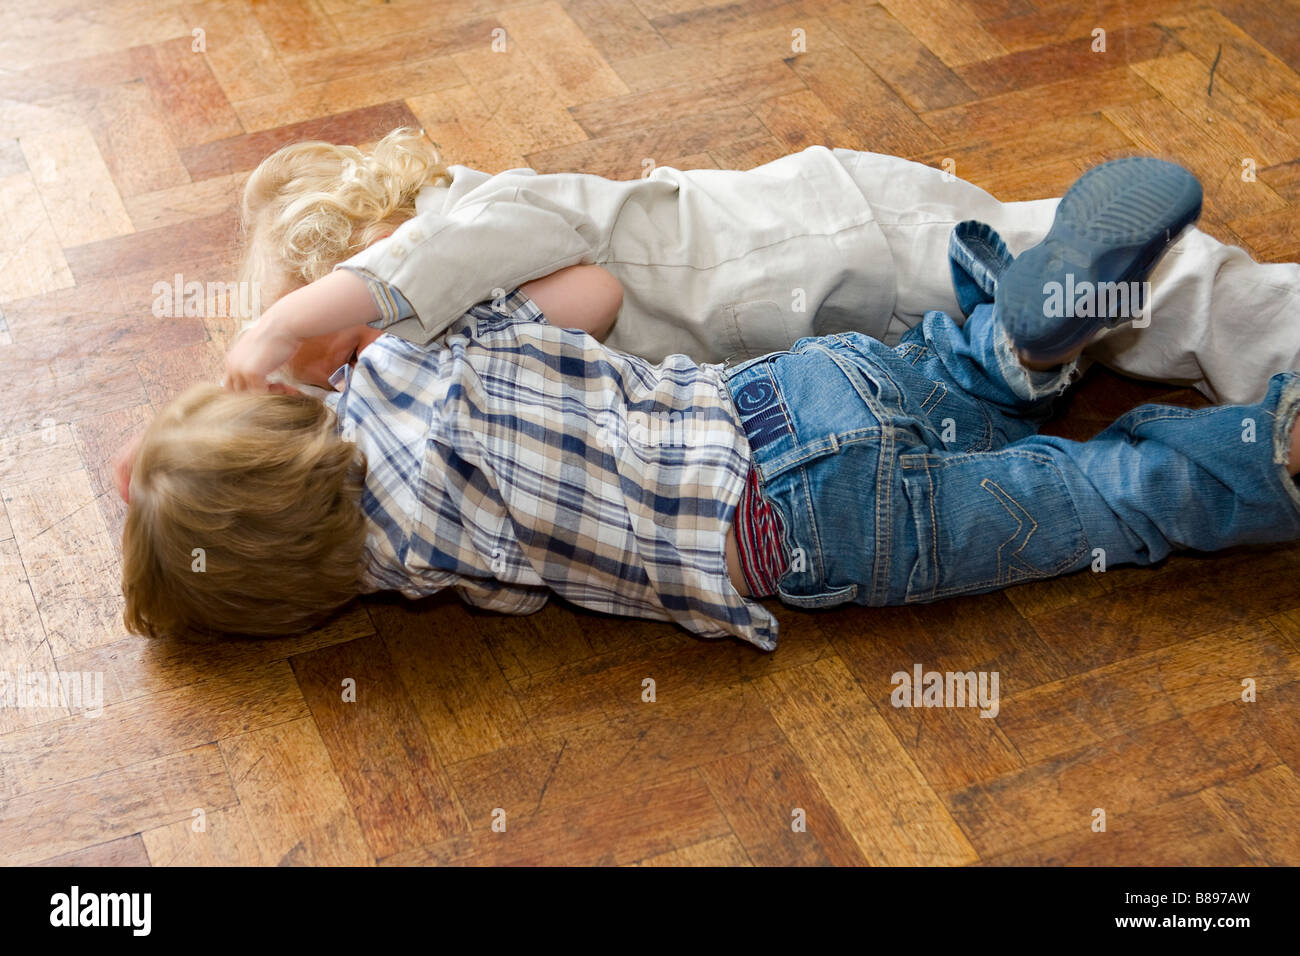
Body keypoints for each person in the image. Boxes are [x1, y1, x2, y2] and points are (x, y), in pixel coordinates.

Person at [117, 159, 1300, 650]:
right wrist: (375, 334)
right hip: (787, 390)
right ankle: (1023, 336)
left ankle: (1271, 452)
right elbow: (595, 289)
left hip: (802, 533)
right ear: (295, 402)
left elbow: (254, 535)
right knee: (951, 369)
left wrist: (213, 534)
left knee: (1086, 498)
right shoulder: (416, 361)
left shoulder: (412, 560)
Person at [240, 127, 1300, 405]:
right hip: (843, 315)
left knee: (1138, 290)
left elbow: (549, 268)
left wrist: (301, 326)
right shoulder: (431, 319)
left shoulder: (461, 226)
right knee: (1045, 330)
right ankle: (1030, 336)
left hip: (836, 241)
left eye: (339, 345)